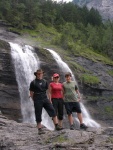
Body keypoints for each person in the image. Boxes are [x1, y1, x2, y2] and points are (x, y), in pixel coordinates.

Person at [29, 69, 62, 134]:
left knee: (52, 110)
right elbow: (31, 92)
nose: (40, 75)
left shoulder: (44, 81)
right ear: (36, 74)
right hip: (37, 99)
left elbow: (47, 90)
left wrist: (48, 98)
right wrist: (34, 99)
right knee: (38, 113)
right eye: (38, 74)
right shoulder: (33, 82)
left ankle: (56, 125)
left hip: (44, 98)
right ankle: (39, 129)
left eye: (41, 74)